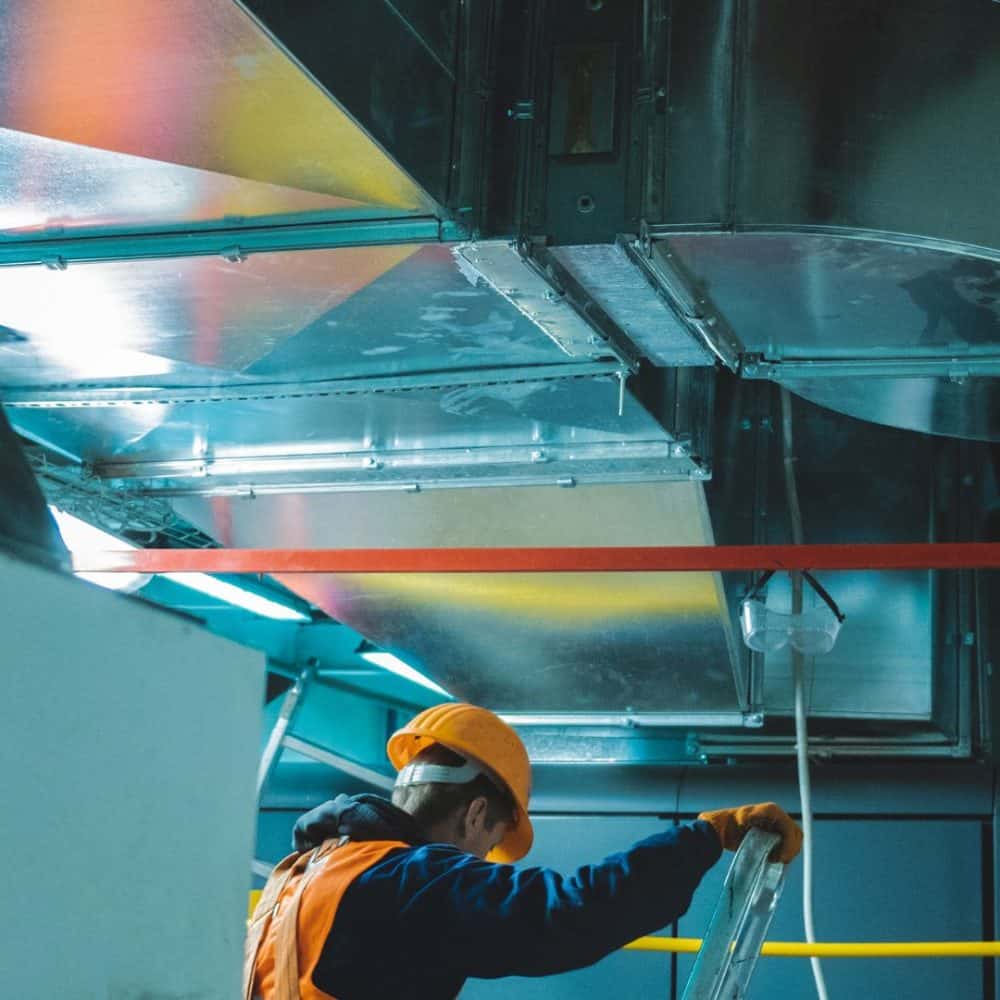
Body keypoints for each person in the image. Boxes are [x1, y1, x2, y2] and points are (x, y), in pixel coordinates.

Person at [245, 702, 802, 1000]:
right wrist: (707, 835)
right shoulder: (408, 881)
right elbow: (570, 914)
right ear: (477, 814)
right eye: (490, 845)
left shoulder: (302, 874)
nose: (485, 859)